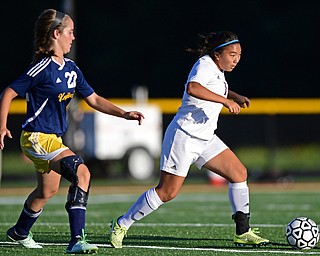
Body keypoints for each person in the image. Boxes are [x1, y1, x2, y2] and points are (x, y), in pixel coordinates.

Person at [0, 9, 144, 254]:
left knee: (47, 191)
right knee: (83, 174)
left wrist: (124, 113)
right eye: (70, 32)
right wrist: (2, 126)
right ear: (56, 34)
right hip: (36, 138)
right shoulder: (42, 68)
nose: (73, 37)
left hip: (52, 138)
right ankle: (77, 239)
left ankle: (19, 232)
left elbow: (95, 99)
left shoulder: (72, 69)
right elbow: (9, 92)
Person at [109, 31, 270, 248]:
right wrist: (224, 100)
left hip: (205, 138)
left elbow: (213, 86)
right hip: (184, 137)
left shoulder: (217, 70)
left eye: (239, 54)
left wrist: (234, 96)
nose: (236, 59)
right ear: (216, 54)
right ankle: (121, 223)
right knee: (167, 192)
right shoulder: (204, 64)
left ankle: (243, 232)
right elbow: (193, 88)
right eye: (232, 54)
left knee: (239, 173)